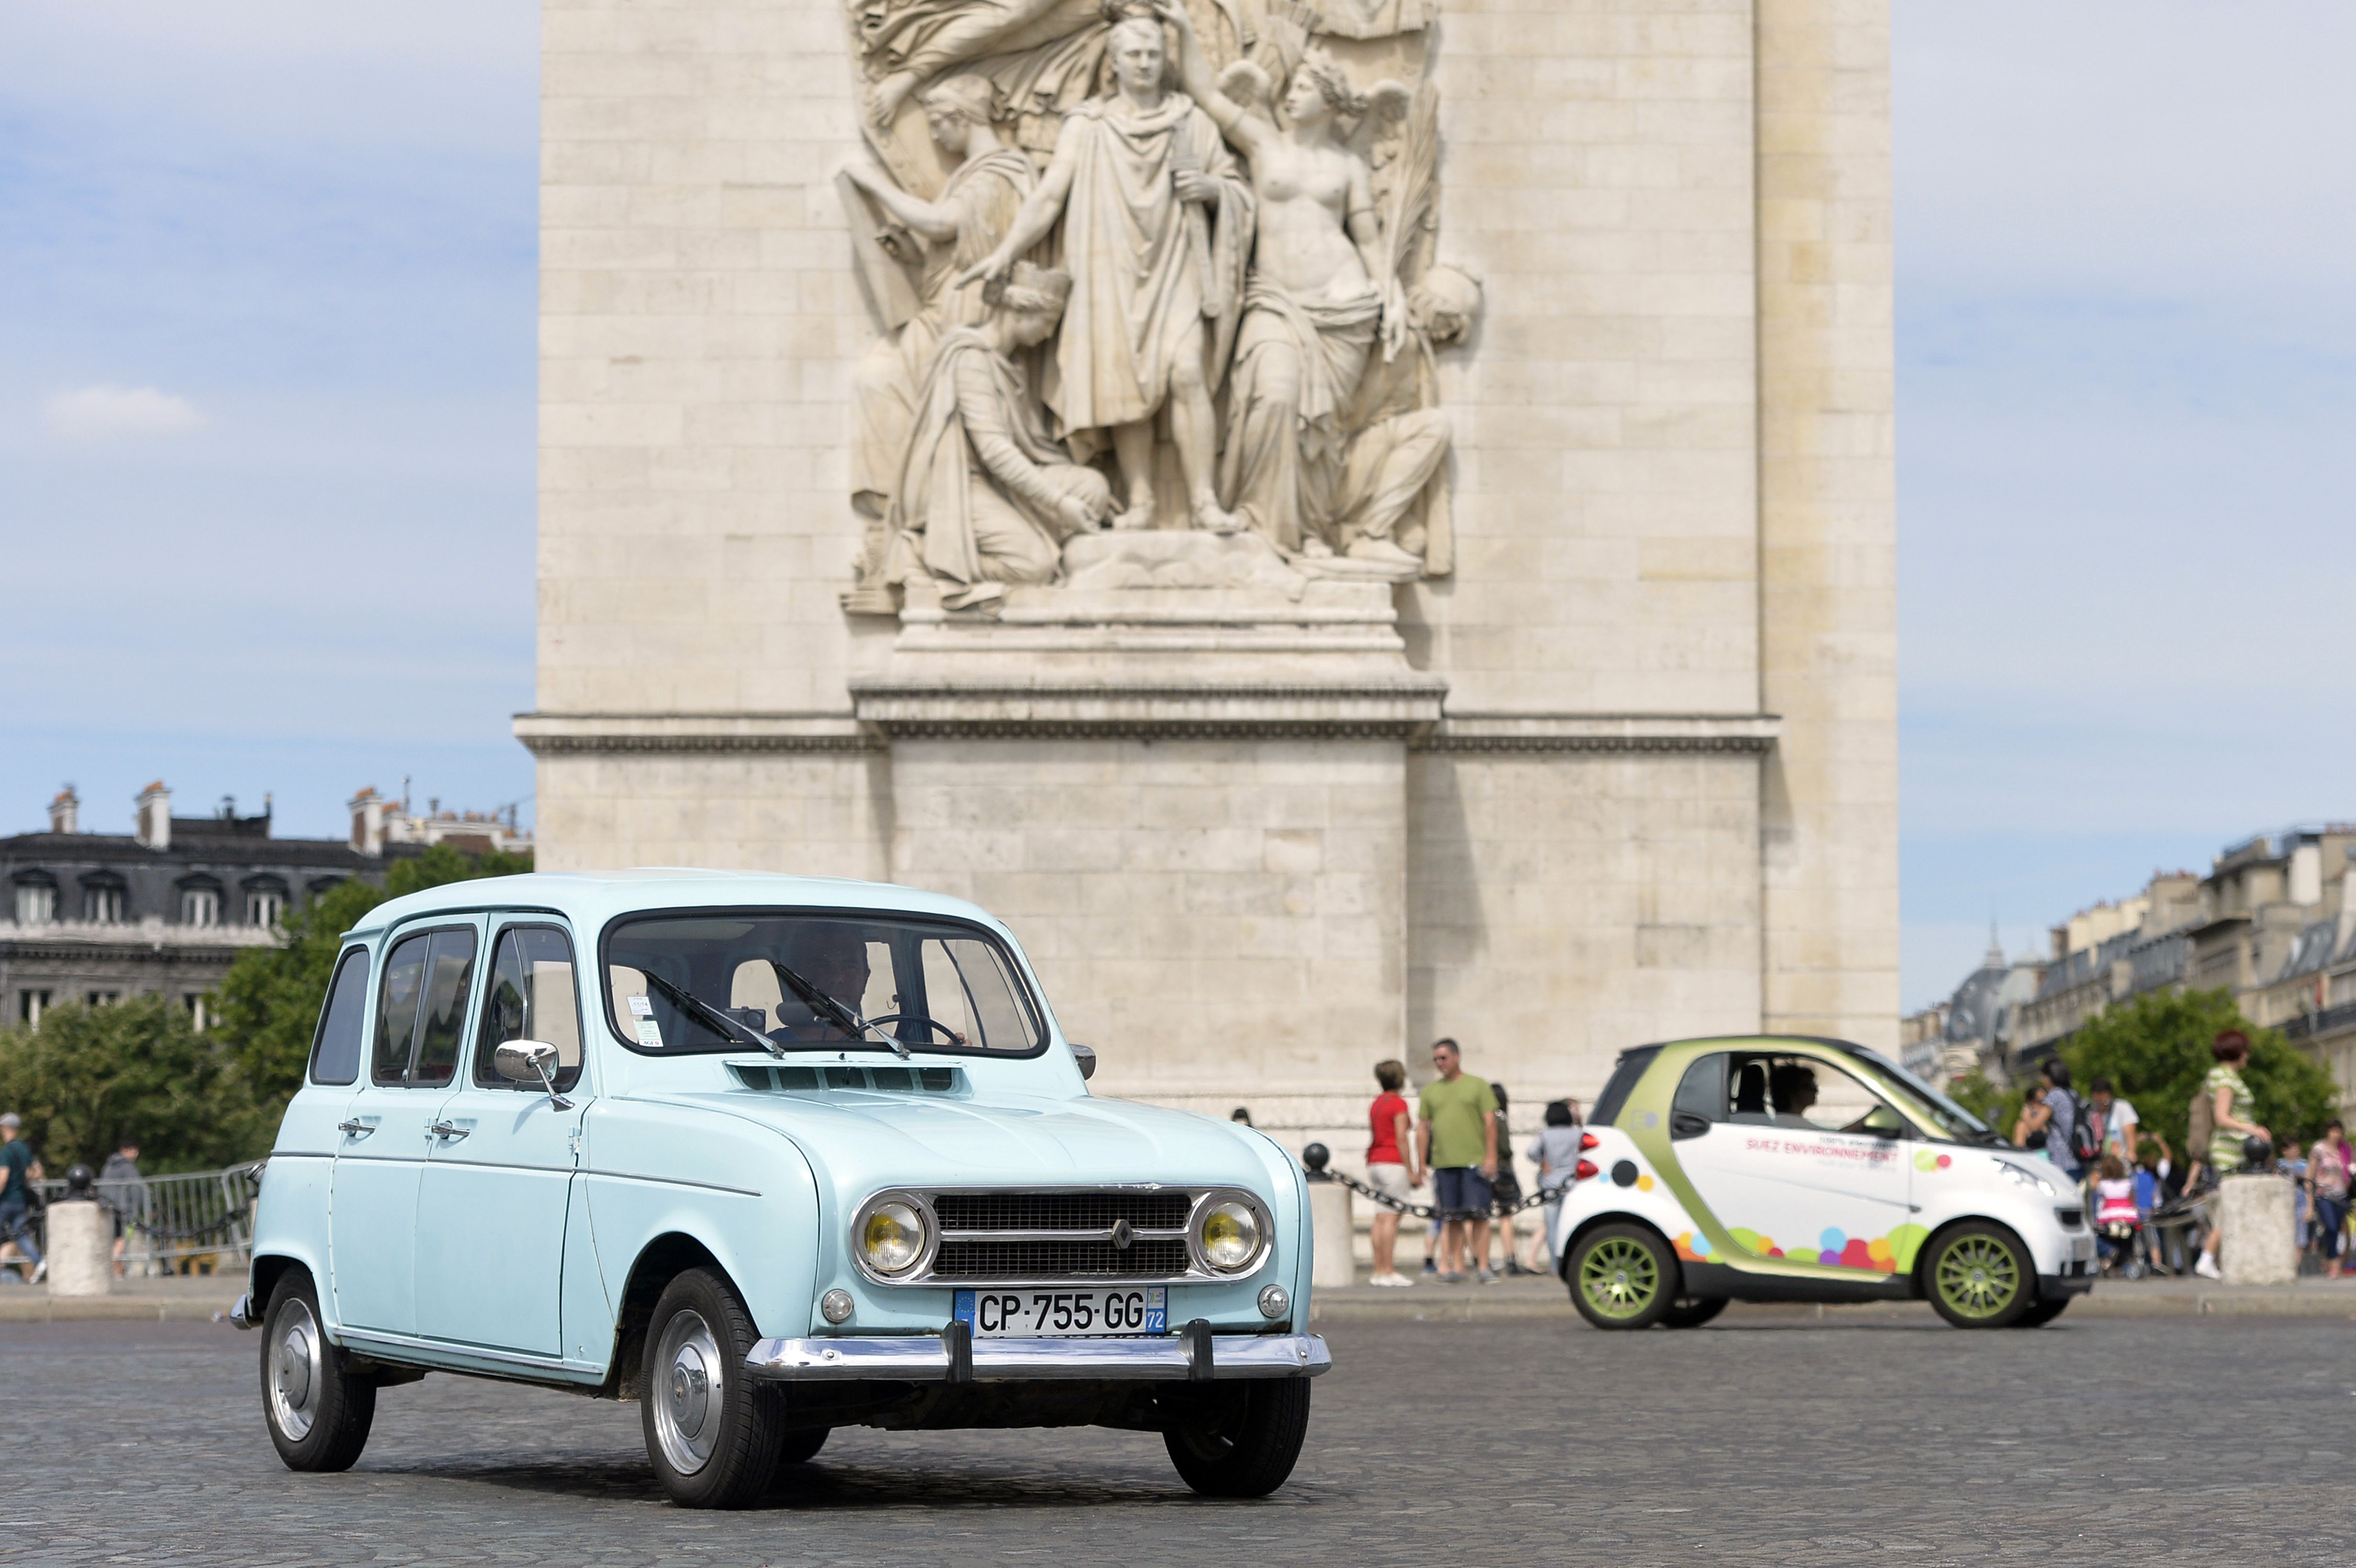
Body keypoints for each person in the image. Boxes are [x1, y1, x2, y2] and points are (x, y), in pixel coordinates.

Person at [958, 8, 1254, 534]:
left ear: (1167, 62)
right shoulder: (1088, 124)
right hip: (1108, 265)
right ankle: (1140, 499)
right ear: (1113, 64)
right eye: (1133, 55)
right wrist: (1006, 250)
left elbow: (1233, 186)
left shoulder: (1192, 121)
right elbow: (1051, 195)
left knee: (1185, 371)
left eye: (1153, 55)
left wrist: (1211, 192)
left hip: (1175, 263)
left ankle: (1204, 500)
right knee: (1124, 381)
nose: (1144, 64)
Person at [1156, 0, 1393, 559]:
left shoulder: (1349, 167)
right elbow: (1207, 95)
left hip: (1343, 306)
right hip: (1275, 301)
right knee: (1275, 399)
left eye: (1306, 86)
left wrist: (1394, 293)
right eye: (1292, 85)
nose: (1291, 93)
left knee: (1321, 430)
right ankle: (1263, 526)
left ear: (1331, 100)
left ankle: (1310, 531)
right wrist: (1185, 30)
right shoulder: (1264, 143)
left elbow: (1368, 240)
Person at [842, 76, 1039, 524]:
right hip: (944, 306)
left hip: (967, 313)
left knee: (883, 380)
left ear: (962, 119)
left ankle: (924, 508)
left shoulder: (997, 172)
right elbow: (949, 244)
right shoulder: (972, 174)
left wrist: (874, 184)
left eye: (938, 124)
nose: (934, 136)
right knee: (878, 380)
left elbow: (941, 224)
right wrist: (911, 257)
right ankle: (908, 505)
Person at [885, 263, 1117, 608]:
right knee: (1032, 566)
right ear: (1021, 311)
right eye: (1049, 322)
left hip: (1001, 484)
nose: (1049, 334)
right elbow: (994, 450)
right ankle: (920, 554)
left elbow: (1027, 447)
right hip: (964, 485)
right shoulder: (972, 360)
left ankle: (1046, 537)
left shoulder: (1008, 363)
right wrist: (1058, 501)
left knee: (1093, 487)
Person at [1416, 1037, 1498, 1284]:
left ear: (1456, 1057)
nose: (1440, 1063)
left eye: (1444, 1058)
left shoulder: (1478, 1085)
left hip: (1475, 1161)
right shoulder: (1431, 1091)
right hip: (1444, 1163)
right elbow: (1422, 1128)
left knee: (1480, 1216)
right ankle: (1455, 1264)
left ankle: (1483, 1265)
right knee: (1450, 1217)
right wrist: (1421, 1162)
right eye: (1437, 1059)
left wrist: (1491, 1156)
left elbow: (1490, 1122)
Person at [2194, 1029, 2268, 1280]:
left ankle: (2225, 1260)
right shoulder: (2225, 1078)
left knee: (2237, 1207)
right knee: (2231, 1209)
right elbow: (2222, 1118)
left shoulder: (2225, 1076)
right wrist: (2252, 1129)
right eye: (2245, 1050)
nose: (2248, 1056)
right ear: (2236, 1052)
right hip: (2229, 1150)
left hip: (2237, 1149)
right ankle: (2206, 1258)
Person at [1364, 1059, 1418, 1286]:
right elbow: (1401, 1138)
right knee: (1391, 1219)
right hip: (1392, 1162)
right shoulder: (1398, 1104)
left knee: (1380, 1217)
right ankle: (1388, 1269)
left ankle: (1379, 1270)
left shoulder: (1377, 1103)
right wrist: (1412, 1170)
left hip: (1375, 1161)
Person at [1526, 1100, 1583, 1275]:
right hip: (1573, 1184)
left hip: (1550, 1185)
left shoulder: (1544, 1134)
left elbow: (1531, 1152)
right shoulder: (1578, 1134)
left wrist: (1542, 1161)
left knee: (1552, 1229)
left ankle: (1555, 1266)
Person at [0, 1113, 44, 1285]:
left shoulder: (6, 1152)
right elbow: (37, 1171)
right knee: (21, 1235)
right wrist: (26, 1182)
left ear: (5, 1129)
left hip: (6, 1201)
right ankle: (39, 1262)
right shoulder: (24, 1149)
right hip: (21, 1201)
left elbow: (3, 1178)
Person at [1487, 1085, 1526, 1274]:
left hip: (1485, 1169)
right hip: (1502, 1169)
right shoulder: (1500, 1118)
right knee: (1505, 1216)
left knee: (1481, 1217)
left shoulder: (1482, 1118)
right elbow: (1505, 1148)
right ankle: (1510, 1258)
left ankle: (1482, 1258)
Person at [96, 1140, 148, 1278]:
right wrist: (141, 1207)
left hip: (109, 1208)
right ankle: (118, 1264)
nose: (136, 1154)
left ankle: (116, 1271)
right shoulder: (128, 1167)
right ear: (124, 1150)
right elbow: (136, 1189)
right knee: (126, 1239)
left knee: (117, 1239)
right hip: (127, 1210)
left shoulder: (108, 1166)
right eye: (133, 1150)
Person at [2310, 1121, 2351, 1280]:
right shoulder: (2319, 1149)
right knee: (2331, 1226)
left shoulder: (2345, 1149)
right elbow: (2311, 1172)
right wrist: (2309, 1198)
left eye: (2339, 1131)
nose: (2336, 1134)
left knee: (2337, 1229)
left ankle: (2328, 1257)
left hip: (2341, 1195)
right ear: (2328, 1132)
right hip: (2323, 1194)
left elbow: (2350, 1169)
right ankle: (2334, 1262)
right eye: (2333, 1131)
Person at [2093, 1154, 2138, 1274]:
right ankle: (2127, 1259)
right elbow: (2133, 1201)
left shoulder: (2102, 1185)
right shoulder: (2128, 1183)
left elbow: (2099, 1201)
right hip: (2127, 1215)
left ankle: (2109, 1254)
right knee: (2129, 1239)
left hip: (2109, 1215)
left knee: (2101, 1236)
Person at [2087, 1076, 2138, 1162]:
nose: (2101, 1103)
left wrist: (2131, 1152)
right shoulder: (2092, 1112)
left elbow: (2130, 1132)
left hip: (2121, 1158)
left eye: (2103, 1099)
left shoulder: (2122, 1107)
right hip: (2100, 1160)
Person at [1767, 1062, 1819, 1128]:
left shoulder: (1785, 1123)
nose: (1816, 1091)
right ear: (1791, 1091)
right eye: (1808, 1086)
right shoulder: (1792, 1127)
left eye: (1814, 1086)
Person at [2012, 1081, 2051, 1156]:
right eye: (2041, 1101)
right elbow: (2019, 1149)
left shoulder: (2050, 1121)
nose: (2045, 1105)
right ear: (2031, 1103)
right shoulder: (2023, 1125)